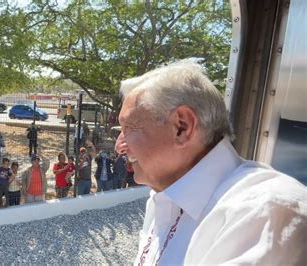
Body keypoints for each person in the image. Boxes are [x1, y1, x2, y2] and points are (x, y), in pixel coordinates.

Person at [115, 60, 307, 265]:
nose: (119, 146)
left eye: (130, 128)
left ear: (182, 127)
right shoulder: (164, 200)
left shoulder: (262, 211)